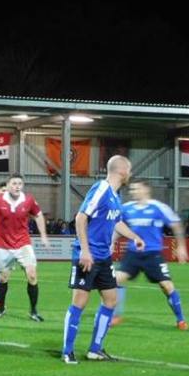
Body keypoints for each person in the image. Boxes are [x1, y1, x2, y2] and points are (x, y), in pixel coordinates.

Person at [61, 156, 145, 364]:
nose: (131, 173)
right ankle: (67, 351)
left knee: (111, 300)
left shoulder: (115, 196)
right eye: (129, 170)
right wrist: (85, 251)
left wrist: (134, 237)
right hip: (87, 256)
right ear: (122, 171)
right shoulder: (101, 189)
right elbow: (81, 217)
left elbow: (117, 223)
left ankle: (95, 349)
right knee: (79, 302)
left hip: (104, 258)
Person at [113, 180, 188, 329]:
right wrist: (111, 242)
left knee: (167, 286)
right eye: (132, 189)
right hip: (133, 253)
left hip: (153, 254)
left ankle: (180, 319)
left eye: (136, 189)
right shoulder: (126, 208)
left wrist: (181, 247)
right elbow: (117, 226)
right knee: (116, 280)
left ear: (146, 190)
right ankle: (115, 315)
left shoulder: (159, 207)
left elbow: (176, 225)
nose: (133, 192)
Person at [0, 173, 49, 321]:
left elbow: (38, 215)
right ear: (7, 186)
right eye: (14, 183)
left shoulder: (29, 200)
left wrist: (43, 234)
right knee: (3, 278)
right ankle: (0, 309)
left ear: (22, 185)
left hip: (23, 243)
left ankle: (33, 311)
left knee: (32, 275)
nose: (17, 186)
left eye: (19, 183)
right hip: (3, 245)